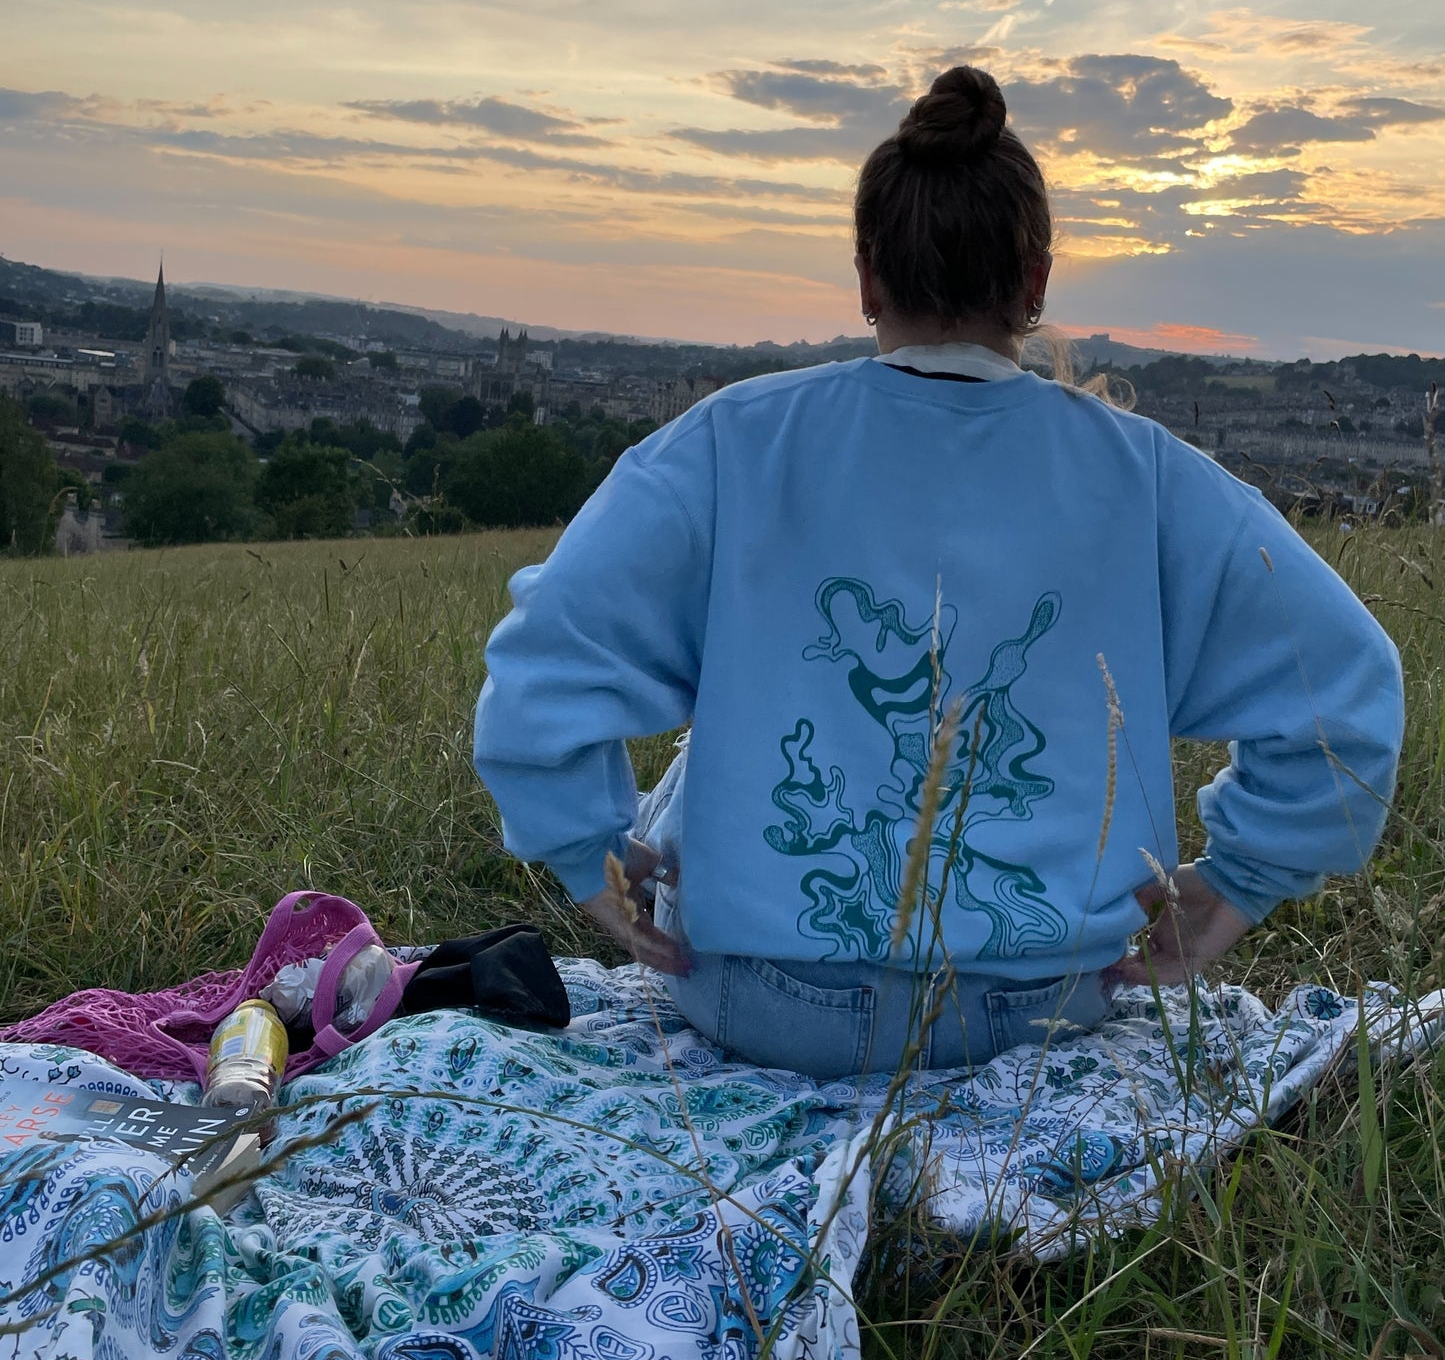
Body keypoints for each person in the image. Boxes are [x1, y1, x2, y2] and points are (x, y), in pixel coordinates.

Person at [472, 66, 1403, 1081]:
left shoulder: (728, 442)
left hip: (755, 997)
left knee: (702, 766)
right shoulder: (1149, 477)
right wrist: (1234, 883)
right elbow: (1347, 692)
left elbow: (544, 665)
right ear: (1035, 283)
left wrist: (588, 854)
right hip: (1040, 1005)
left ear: (868, 278)